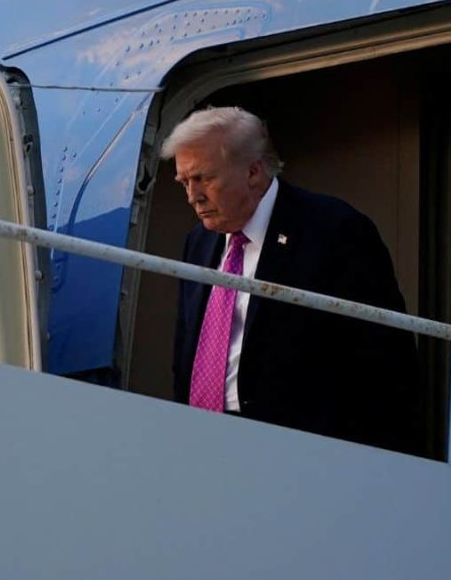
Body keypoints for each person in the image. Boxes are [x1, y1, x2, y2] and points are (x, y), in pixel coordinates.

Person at [163, 106, 422, 455]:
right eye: (184, 182)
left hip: (302, 451)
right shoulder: (199, 241)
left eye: (204, 179)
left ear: (253, 171)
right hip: (206, 442)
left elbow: (384, 361)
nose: (192, 196)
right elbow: (186, 351)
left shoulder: (335, 231)